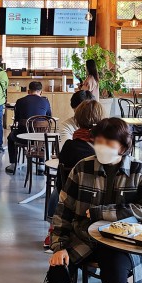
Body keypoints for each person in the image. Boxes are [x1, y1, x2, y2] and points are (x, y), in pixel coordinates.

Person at [49, 118, 142, 283]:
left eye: (109, 143)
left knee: (115, 280)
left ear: (123, 147)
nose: (102, 147)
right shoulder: (82, 168)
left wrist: (102, 213)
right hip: (83, 238)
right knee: (57, 272)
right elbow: (64, 210)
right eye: (99, 141)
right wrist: (59, 247)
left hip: (121, 242)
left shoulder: (139, 171)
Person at [44, 99, 104, 251]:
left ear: (77, 119)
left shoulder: (69, 146)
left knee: (57, 191)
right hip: (96, 203)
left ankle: (54, 230)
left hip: (69, 202)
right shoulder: (104, 148)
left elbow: (60, 181)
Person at [5, 81, 52, 174]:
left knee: (10, 138)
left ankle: (13, 164)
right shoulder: (45, 102)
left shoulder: (20, 101)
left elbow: (17, 119)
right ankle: (41, 165)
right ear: (41, 92)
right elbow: (49, 118)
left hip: (22, 137)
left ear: (28, 91)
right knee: (42, 137)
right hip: (38, 138)